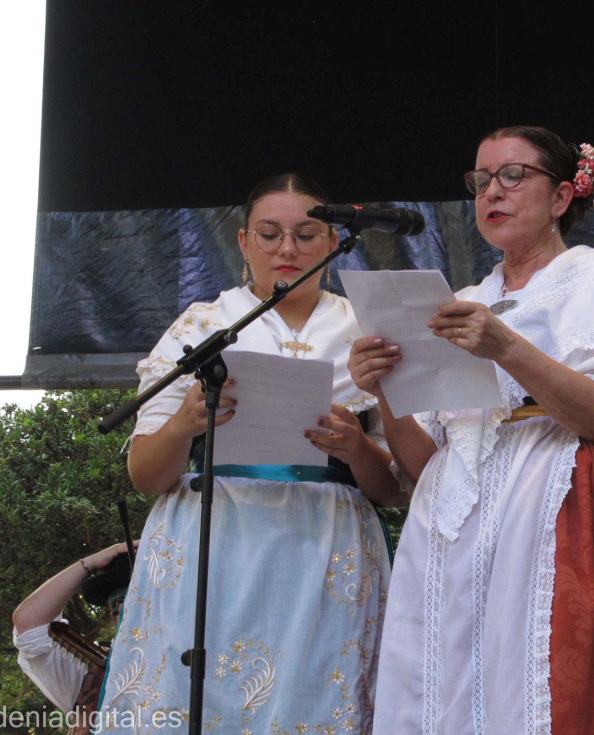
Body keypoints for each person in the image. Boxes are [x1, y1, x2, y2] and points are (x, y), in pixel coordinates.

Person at [351, 125, 594, 734]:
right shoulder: (464, 297)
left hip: (554, 499)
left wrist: (506, 346)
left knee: (544, 686)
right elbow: (423, 464)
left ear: (561, 196)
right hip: (453, 521)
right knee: (441, 689)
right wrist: (384, 389)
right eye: (480, 181)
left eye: (512, 176)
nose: (491, 192)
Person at [98, 173, 403, 733]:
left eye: (306, 235)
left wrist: (358, 448)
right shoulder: (203, 325)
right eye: (269, 234)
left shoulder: (365, 332)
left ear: (333, 241)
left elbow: (393, 489)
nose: (287, 248)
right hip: (214, 544)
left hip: (327, 549)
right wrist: (185, 424)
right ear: (243, 242)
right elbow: (146, 475)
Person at [12, 541, 135, 732]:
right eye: (124, 600)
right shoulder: (92, 669)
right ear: (113, 611)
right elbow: (29, 625)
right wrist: (89, 564)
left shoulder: (186, 661)